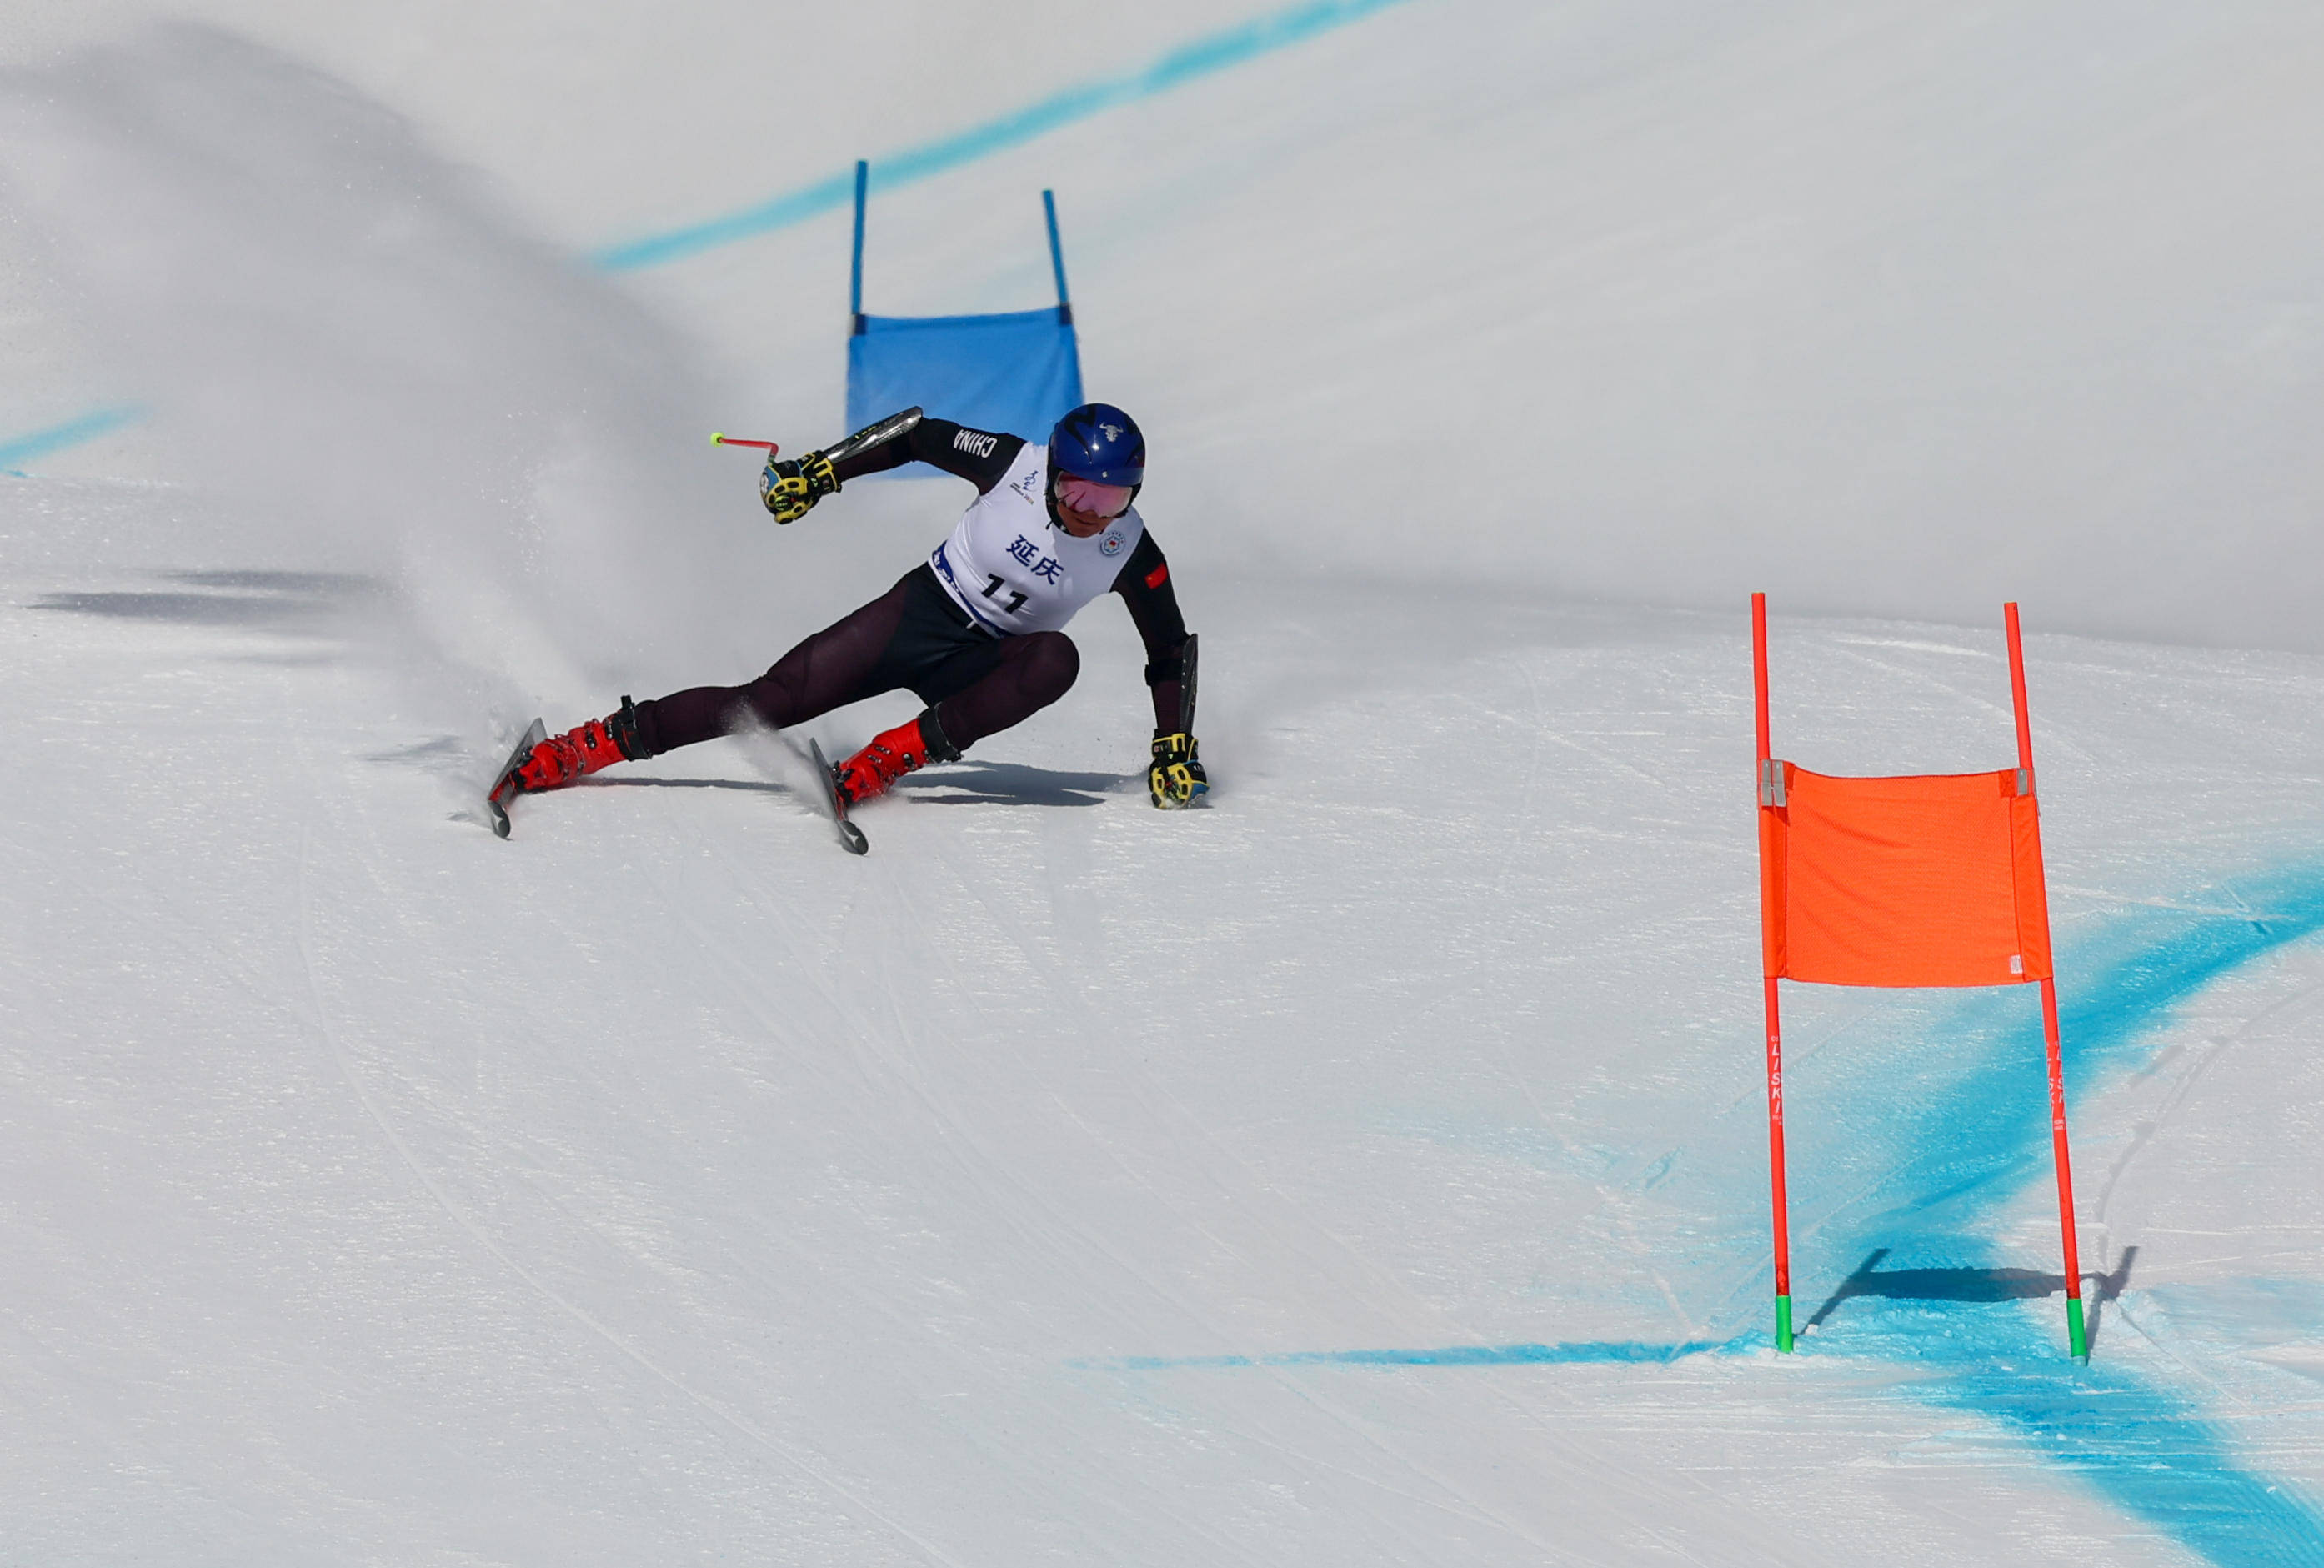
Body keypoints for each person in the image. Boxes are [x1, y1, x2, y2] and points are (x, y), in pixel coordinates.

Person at [508, 402, 1207, 813]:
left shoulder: (1130, 549)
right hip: (920, 612)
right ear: (1053, 472)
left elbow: (1169, 646)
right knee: (768, 700)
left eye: (1114, 498)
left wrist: (1171, 742)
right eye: (1080, 493)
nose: (1092, 513)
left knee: (1058, 657)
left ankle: (891, 758)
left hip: (989, 664)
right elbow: (917, 434)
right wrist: (821, 472)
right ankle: (583, 747)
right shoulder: (1012, 464)